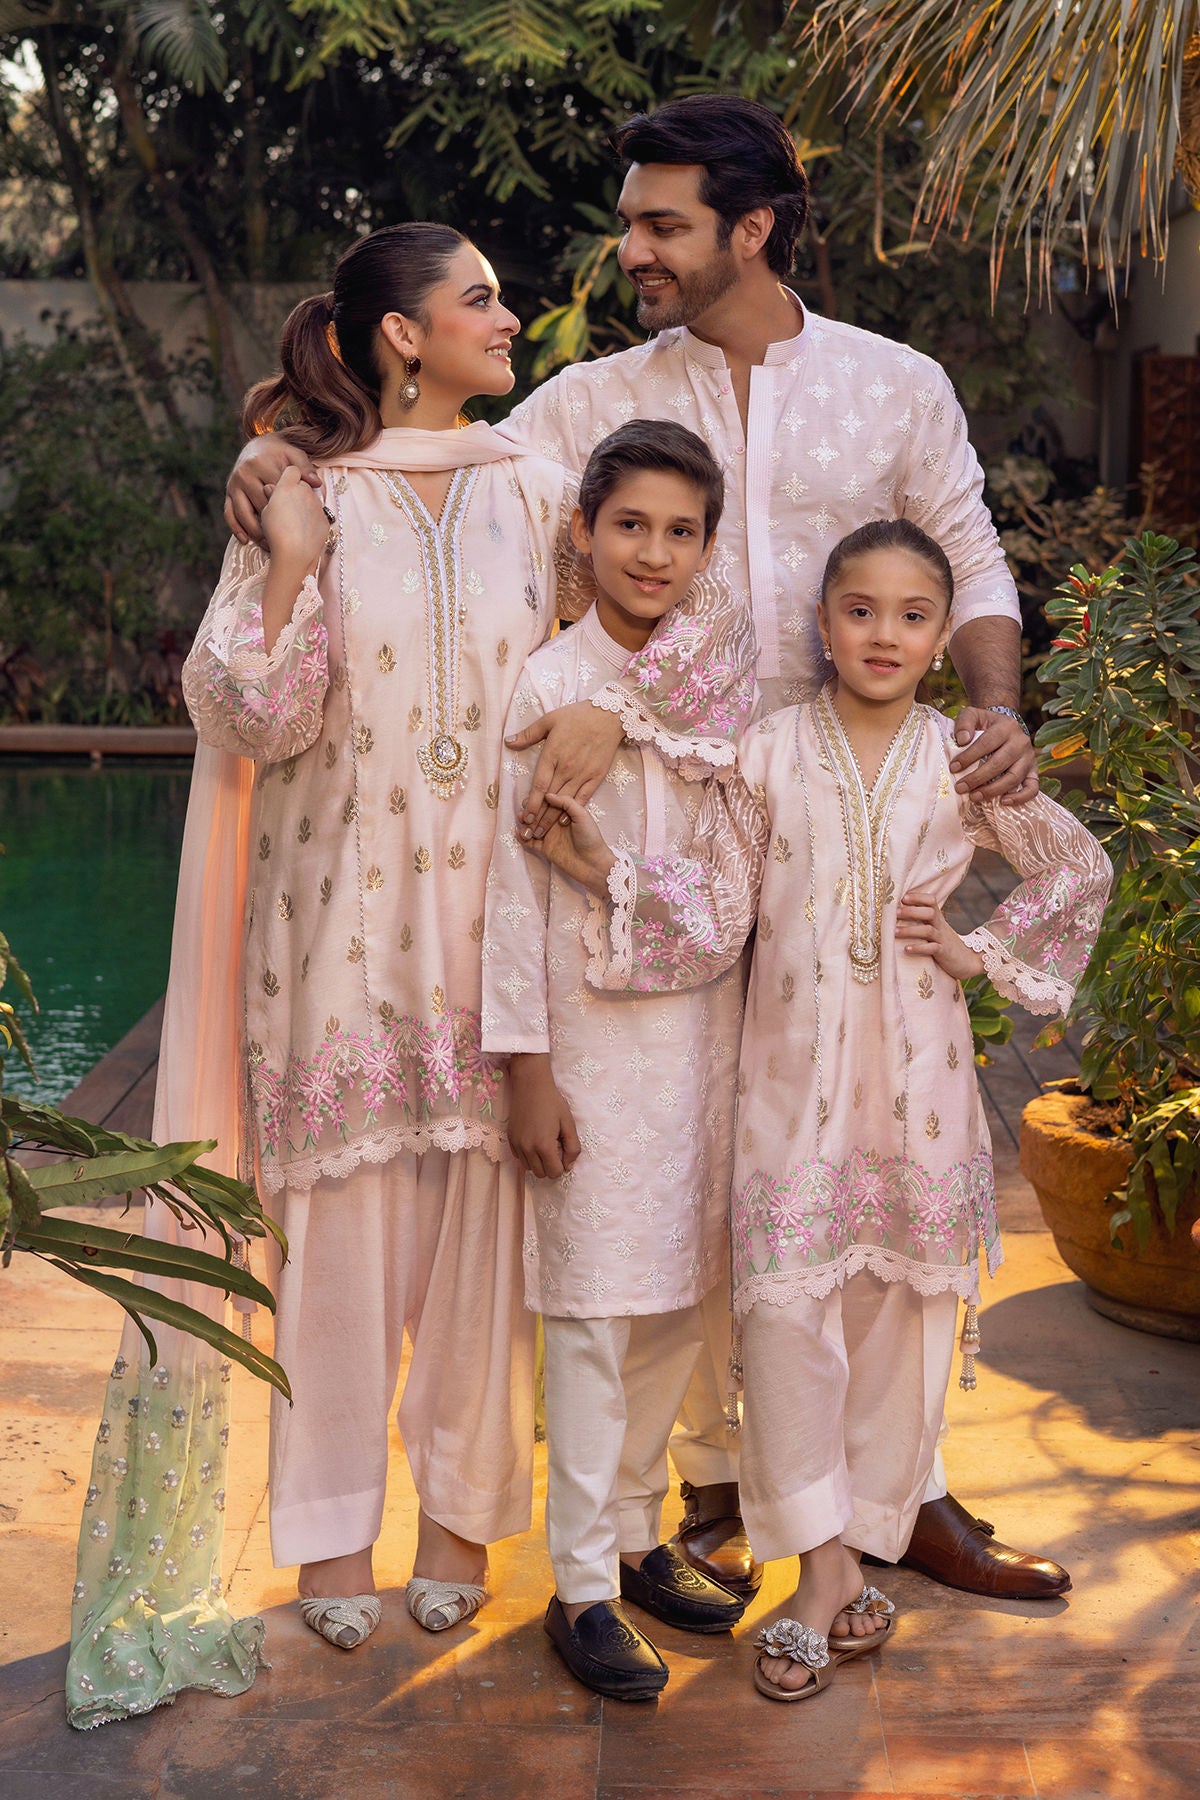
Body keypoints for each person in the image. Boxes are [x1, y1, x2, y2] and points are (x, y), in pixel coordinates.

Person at [223, 93, 1067, 1602]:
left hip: (853, 833)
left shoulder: (896, 385)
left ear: (754, 227)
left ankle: (902, 1489)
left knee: (880, 1148)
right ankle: (726, 1487)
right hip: (665, 852)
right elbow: (423, 457)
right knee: (698, 1164)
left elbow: (975, 558)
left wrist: (995, 708)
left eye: (662, 224)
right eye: (633, 224)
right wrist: (278, 461)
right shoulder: (588, 404)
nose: (632, 252)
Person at [65, 222, 754, 1727]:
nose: (509, 319)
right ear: (401, 333)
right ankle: (329, 1538)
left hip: (504, 935)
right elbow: (248, 715)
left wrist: (620, 715)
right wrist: (287, 558)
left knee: (484, 1234)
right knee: (337, 1239)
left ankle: (458, 1529)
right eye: (480, 300)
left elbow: (691, 624)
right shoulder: (301, 494)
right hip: (338, 931)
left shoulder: (536, 489)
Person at [530, 518, 1112, 1699]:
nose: (884, 634)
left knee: (902, 1327)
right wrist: (605, 872)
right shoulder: (768, 751)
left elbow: (1076, 867)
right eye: (860, 610)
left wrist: (980, 951)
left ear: (940, 638)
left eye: (912, 615)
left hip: (919, 1090)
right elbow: (720, 906)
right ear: (824, 624)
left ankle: (846, 1566)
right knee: (789, 1328)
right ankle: (823, 1568)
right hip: (790, 1089)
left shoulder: (963, 760)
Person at [483, 421, 750, 1700]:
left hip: (701, 1040)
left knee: (674, 1302)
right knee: (591, 1314)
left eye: (681, 531)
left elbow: (739, 866)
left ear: (708, 549)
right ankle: (581, 1584)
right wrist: (526, 1066)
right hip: (586, 1044)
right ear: (583, 533)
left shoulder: (717, 686)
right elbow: (510, 893)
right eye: (631, 524)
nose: (654, 552)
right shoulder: (547, 684)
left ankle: (642, 1540)